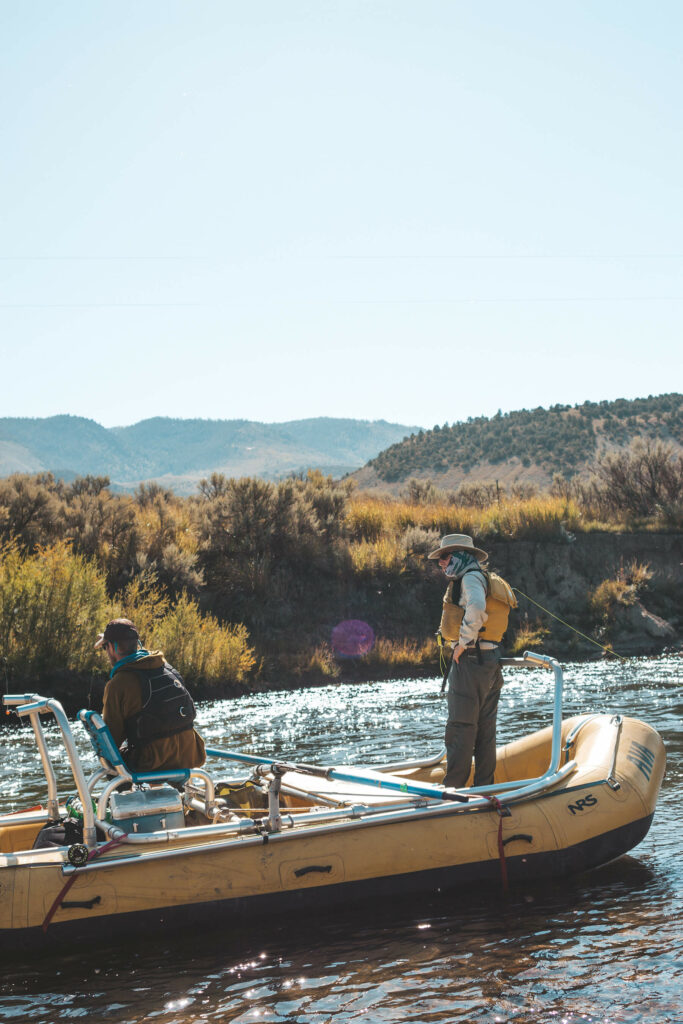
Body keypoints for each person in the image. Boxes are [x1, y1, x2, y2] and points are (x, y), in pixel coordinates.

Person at [428, 534, 517, 789]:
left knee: (461, 728)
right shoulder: (479, 576)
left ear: (458, 556)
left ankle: (452, 791)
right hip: (489, 661)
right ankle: (484, 789)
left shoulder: (470, 578)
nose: (441, 564)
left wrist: (462, 643)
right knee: (485, 731)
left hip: (471, 661)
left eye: (444, 558)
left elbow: (477, 607)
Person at [94, 618, 206, 772]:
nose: (106, 652)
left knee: (111, 759)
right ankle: (160, 790)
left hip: (152, 763)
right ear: (137, 644)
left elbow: (111, 740)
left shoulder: (118, 684)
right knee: (153, 740)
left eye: (104, 647)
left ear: (113, 648)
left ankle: (131, 794)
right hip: (191, 753)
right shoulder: (166, 668)